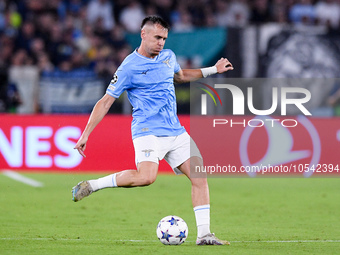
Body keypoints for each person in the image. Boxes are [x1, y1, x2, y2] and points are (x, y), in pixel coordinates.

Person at [72, 15, 234, 245]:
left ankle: (204, 234)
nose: (161, 43)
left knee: (199, 176)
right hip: (147, 130)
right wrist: (86, 133)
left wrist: (212, 70)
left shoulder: (168, 56)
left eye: (165, 38)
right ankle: (93, 185)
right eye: (157, 37)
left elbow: (180, 76)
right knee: (146, 178)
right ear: (143, 34)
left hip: (176, 131)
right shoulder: (129, 66)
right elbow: (106, 101)